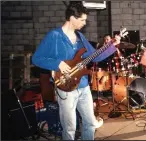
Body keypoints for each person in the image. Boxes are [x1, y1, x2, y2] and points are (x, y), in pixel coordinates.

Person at [32, 3, 121, 140]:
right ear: (72, 18)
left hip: (83, 86)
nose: (85, 23)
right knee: (69, 128)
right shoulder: (54, 36)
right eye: (82, 20)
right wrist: (57, 63)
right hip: (66, 89)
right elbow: (36, 58)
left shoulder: (80, 37)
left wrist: (112, 46)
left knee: (90, 124)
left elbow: (94, 56)